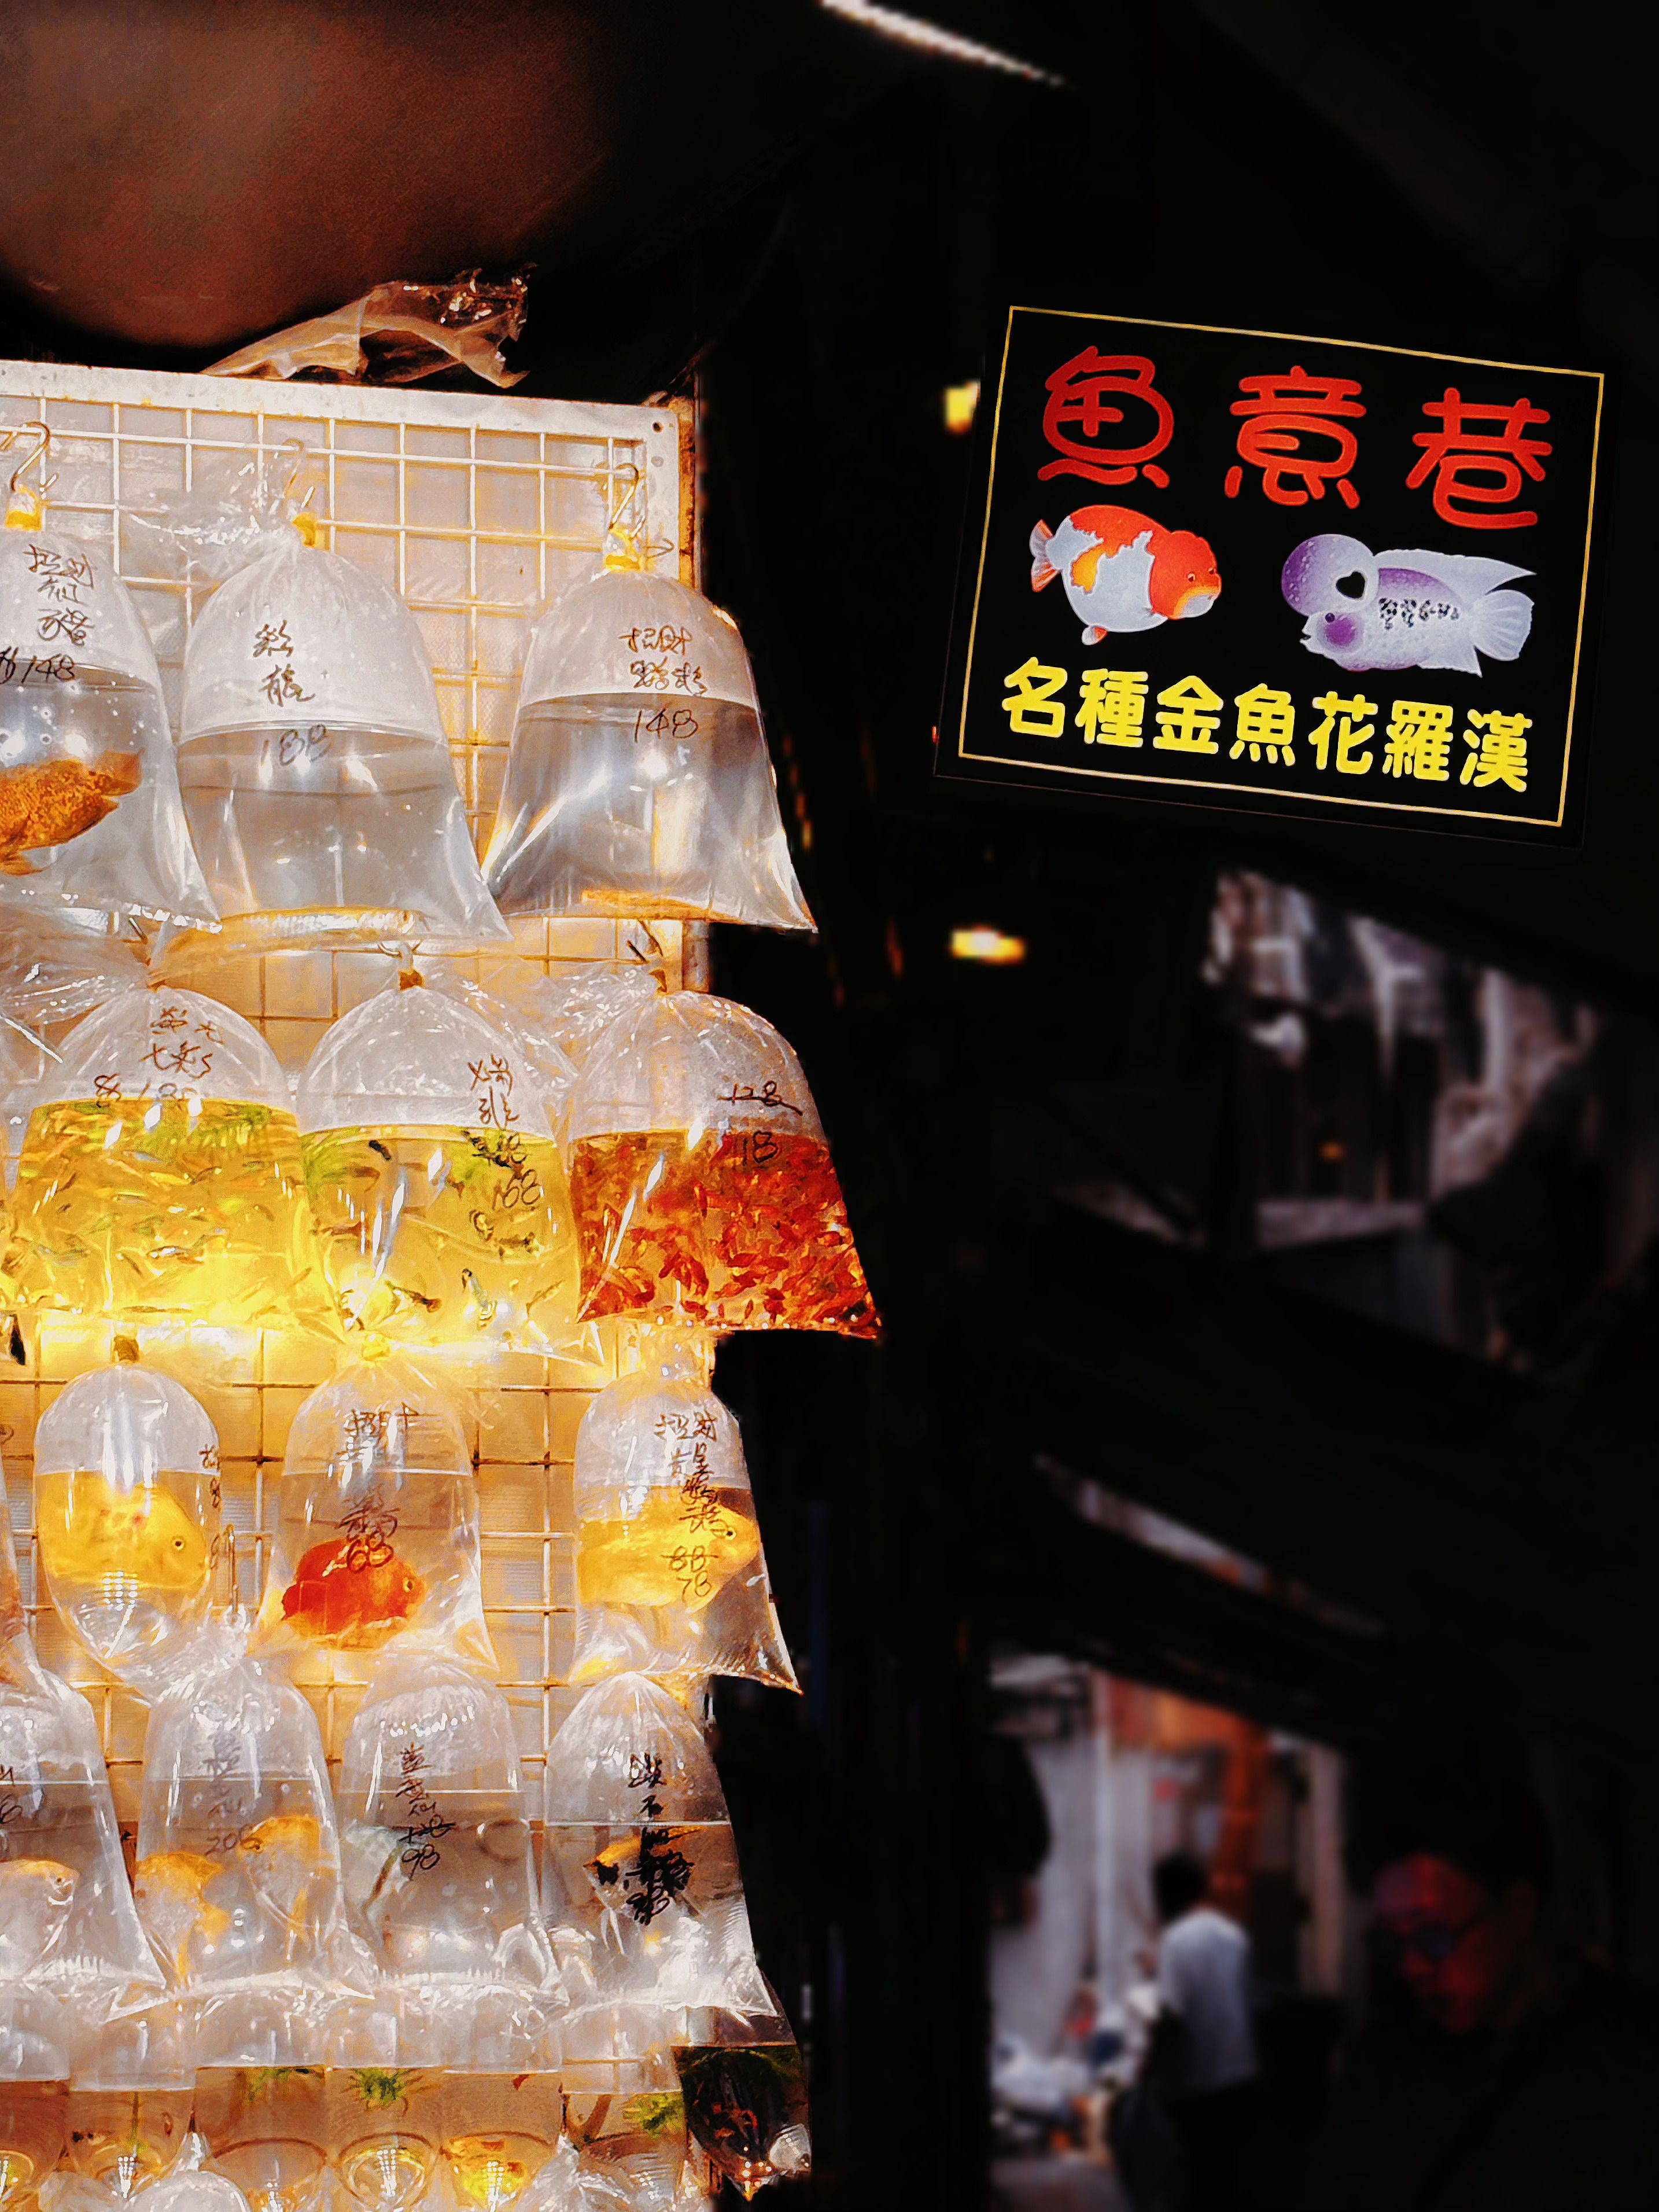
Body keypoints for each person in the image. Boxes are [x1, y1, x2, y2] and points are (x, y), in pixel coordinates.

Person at [1303, 1773, 1659, 2209]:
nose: (1413, 1967)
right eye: (1390, 1943)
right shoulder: (1384, 2062)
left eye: (1434, 1936)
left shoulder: (1625, 2067)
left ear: (1519, 1910)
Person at [1148, 1851, 1258, 2210]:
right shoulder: (1235, 1936)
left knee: (1195, 2183)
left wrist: (1151, 2074)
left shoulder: (1176, 1941)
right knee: (1227, 2179)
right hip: (1242, 2077)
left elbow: (1172, 2018)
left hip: (1200, 2083)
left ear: (1167, 1895)